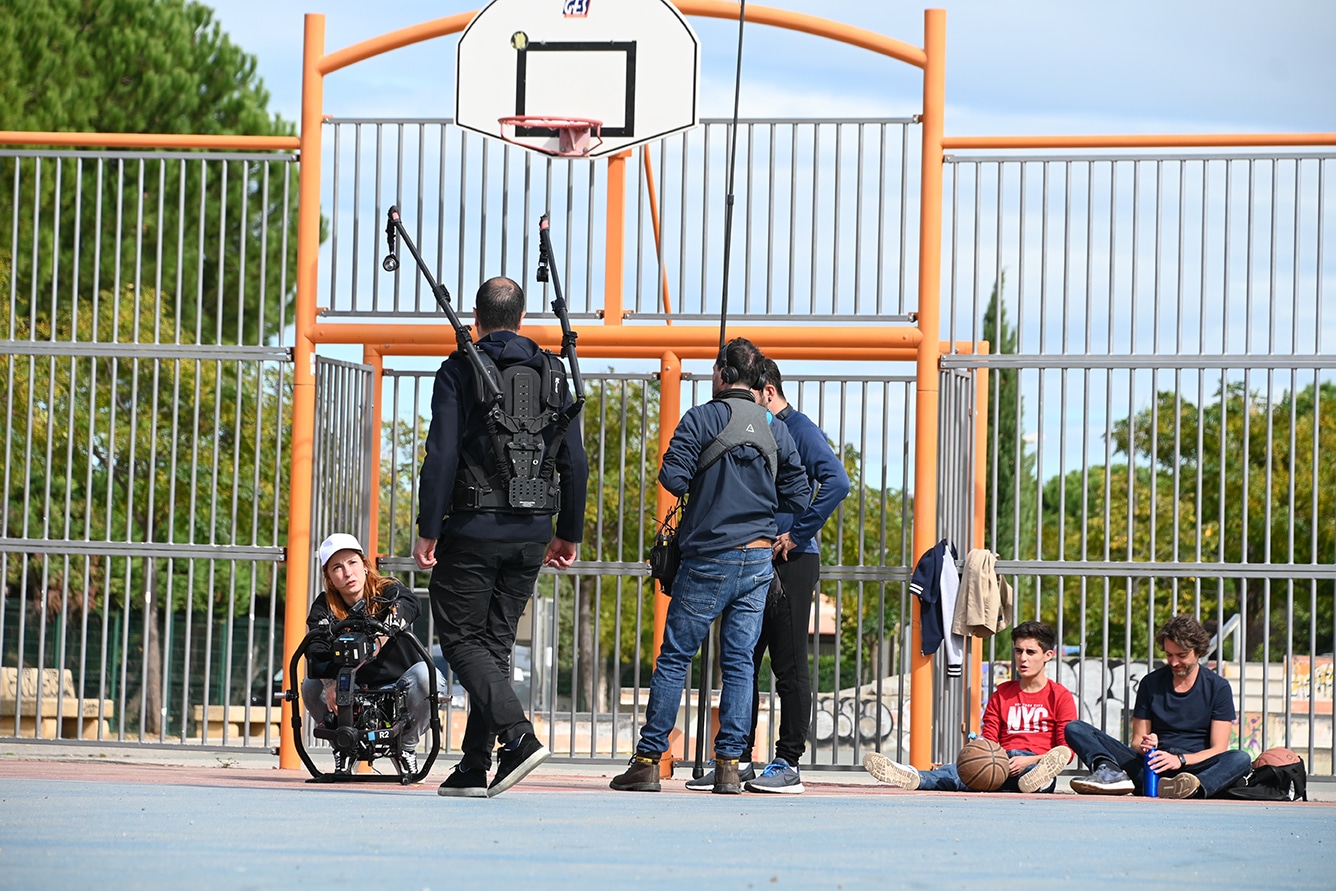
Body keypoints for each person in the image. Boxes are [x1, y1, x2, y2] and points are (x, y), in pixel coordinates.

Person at [413, 276, 589, 799]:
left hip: (472, 528)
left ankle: (518, 736)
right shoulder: (554, 371)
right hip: (533, 532)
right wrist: (568, 532)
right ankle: (473, 766)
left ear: (476, 316)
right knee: (493, 645)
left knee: (462, 641)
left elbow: (441, 455)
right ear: (523, 317)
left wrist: (427, 529)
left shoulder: (458, 368)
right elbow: (573, 459)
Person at [610, 338, 811, 794]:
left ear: (722, 373)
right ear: (756, 378)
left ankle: (647, 760)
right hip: (759, 558)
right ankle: (728, 765)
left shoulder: (701, 417)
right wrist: (758, 499)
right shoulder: (774, 427)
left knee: (677, 656)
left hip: (708, 557)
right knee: (740, 663)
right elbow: (799, 493)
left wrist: (713, 483)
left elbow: (673, 477)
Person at [687, 357, 849, 794]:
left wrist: (797, 534)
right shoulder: (756, 429)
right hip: (755, 556)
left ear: (768, 392)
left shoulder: (795, 427)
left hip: (792, 561)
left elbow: (837, 481)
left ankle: (789, 760)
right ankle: (737, 758)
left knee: (789, 661)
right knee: (743, 659)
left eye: (751, 396)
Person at [863, 621, 1075, 793]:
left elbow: (1065, 751)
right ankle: (913, 776)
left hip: (1034, 761)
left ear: (1048, 655)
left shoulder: (1060, 696)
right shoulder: (1001, 693)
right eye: (1019, 651)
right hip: (1000, 762)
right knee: (962, 773)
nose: (1023, 658)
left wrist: (1029, 760)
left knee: (1031, 772)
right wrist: (979, 755)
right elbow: (990, 739)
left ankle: (1039, 781)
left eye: (1031, 652)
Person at [1065, 614, 1252, 799]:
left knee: (1240, 758)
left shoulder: (1217, 687)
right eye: (1169, 655)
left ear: (1199, 651)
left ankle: (1193, 787)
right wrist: (1148, 745)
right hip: (1152, 768)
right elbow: (1137, 742)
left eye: (1182, 655)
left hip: (1194, 767)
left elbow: (1218, 748)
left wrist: (1180, 760)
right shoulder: (1151, 683)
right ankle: (1112, 773)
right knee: (1075, 728)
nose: (1174, 662)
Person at [303, 532, 441, 778]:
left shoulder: (388, 590)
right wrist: (330, 681)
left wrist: (380, 637)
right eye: (337, 567)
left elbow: (409, 604)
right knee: (310, 685)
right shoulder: (324, 606)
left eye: (352, 563)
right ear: (330, 578)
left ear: (365, 566)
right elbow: (316, 647)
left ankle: (405, 747)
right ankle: (344, 747)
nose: (347, 573)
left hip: (399, 683)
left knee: (427, 675)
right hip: (352, 686)